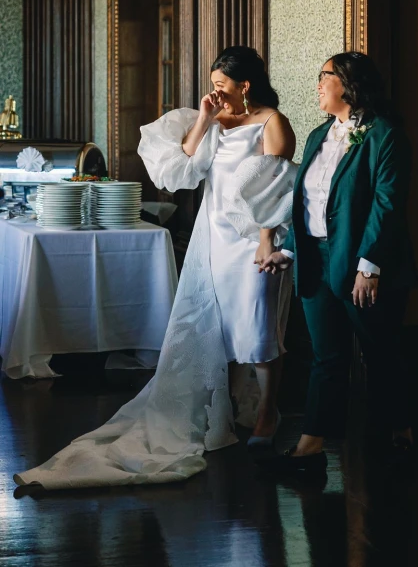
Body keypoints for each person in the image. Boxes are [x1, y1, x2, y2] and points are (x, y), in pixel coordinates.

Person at [14, 46, 297, 489]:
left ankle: (267, 413)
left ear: (245, 86)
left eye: (221, 87)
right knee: (224, 327)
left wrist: (265, 241)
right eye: (212, 85)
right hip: (215, 237)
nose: (215, 93)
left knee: (257, 328)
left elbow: (278, 191)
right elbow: (183, 167)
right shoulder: (218, 123)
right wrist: (205, 118)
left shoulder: (272, 122)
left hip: (255, 241)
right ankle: (235, 404)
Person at [261, 52, 418, 472]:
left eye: (324, 76)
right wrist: (289, 249)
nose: (317, 84)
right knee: (326, 356)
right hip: (316, 260)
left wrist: (369, 267)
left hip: (362, 260)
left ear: (349, 83)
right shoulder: (317, 135)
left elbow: (387, 206)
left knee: (381, 351)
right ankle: (311, 448)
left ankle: (400, 434)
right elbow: (309, 204)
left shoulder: (384, 135)